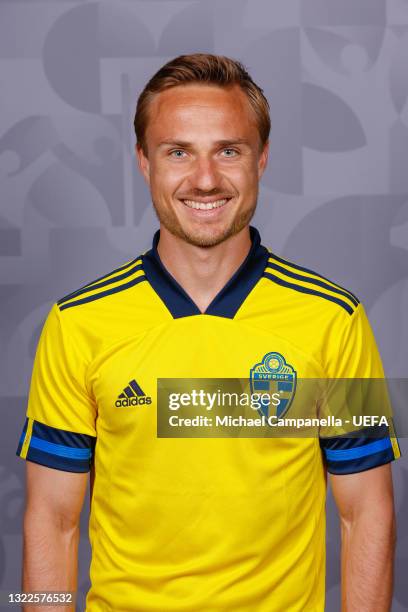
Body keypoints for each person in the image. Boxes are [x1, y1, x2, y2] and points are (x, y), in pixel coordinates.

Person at [16, 53, 400, 612]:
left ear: (261, 159)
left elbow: (365, 512)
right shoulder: (77, 324)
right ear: (144, 162)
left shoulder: (332, 319)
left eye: (228, 150)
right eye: (178, 152)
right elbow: (51, 521)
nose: (204, 179)